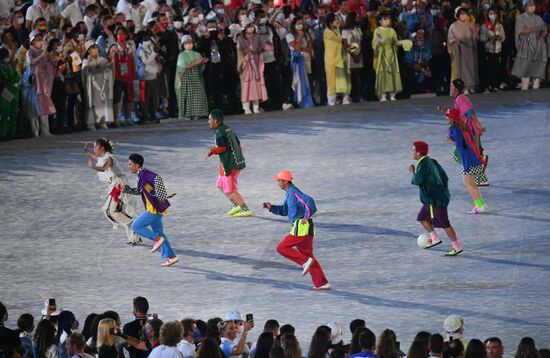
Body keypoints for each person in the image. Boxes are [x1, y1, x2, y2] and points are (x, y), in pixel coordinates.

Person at [263, 170, 331, 290]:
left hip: (301, 227)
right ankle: (322, 283)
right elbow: (285, 210)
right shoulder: (289, 193)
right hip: (306, 228)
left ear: (285, 181)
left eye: (278, 180)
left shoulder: (294, 192)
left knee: (282, 248)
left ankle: (304, 262)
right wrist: (271, 207)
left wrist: (306, 216)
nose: (277, 183)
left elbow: (310, 201)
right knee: (308, 256)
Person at [122, 154, 179, 267]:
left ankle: (157, 239)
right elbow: (140, 191)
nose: (128, 166)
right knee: (160, 233)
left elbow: (157, 178)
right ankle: (171, 257)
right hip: (155, 209)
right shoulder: (142, 175)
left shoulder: (145, 175)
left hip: (154, 210)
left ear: (137, 165)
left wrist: (161, 194)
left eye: (130, 164)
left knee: (135, 226)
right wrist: (127, 189)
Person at [409, 141, 463, 256]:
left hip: (435, 201)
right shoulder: (432, 161)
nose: (412, 152)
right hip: (435, 199)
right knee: (422, 218)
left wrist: (413, 172)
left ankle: (456, 246)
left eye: (413, 150)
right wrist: (443, 192)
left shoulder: (423, 165)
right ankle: (435, 238)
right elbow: (445, 178)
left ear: (418, 152)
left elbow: (418, 180)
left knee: (445, 223)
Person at [84, 138, 140, 245]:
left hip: (119, 185)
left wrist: (93, 167)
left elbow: (105, 167)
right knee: (122, 211)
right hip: (116, 185)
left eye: (96, 147)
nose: (94, 149)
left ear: (103, 148)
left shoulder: (109, 158)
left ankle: (134, 223)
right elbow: (98, 157)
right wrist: (87, 152)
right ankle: (134, 238)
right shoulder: (104, 156)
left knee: (111, 211)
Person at [438, 79, 489, 187]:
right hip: (466, 130)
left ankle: (480, 177)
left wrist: (478, 126)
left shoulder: (461, 98)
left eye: (451, 87)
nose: (450, 89)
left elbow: (470, 112)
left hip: (470, 130)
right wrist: (444, 111)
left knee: (474, 153)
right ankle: (477, 176)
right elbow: (455, 113)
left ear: (456, 89)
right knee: (466, 154)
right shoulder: (459, 99)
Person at [205, 109, 252, 217]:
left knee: (230, 189)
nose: (208, 121)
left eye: (210, 119)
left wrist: (211, 151)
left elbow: (222, 148)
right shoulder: (227, 129)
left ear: (215, 120)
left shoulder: (219, 132)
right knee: (220, 184)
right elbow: (239, 145)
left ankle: (245, 209)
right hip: (230, 163)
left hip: (229, 165)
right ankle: (236, 205)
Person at [445, 108, 488, 215]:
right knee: (472, 183)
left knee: (468, 183)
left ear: (452, 118)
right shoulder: (462, 125)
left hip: (469, 160)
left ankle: (479, 205)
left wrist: (450, 141)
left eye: (447, 116)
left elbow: (460, 144)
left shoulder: (455, 128)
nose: (446, 118)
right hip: (474, 158)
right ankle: (481, 203)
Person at [27, 30, 58, 137]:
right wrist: (41, 56)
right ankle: (35, 131)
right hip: (34, 84)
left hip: (44, 84)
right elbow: (31, 62)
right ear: (32, 42)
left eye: (41, 40)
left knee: (44, 106)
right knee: (34, 108)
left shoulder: (44, 52)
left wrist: (55, 58)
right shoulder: (30, 52)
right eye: (37, 40)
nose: (40, 42)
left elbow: (53, 62)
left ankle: (45, 130)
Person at [511, 0, 547, 90]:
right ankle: (524, 89)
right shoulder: (520, 18)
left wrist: (543, 33)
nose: (532, 6)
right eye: (530, 5)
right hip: (526, 48)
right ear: (525, 7)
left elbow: (544, 30)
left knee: (537, 70)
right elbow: (521, 31)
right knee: (526, 71)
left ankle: (536, 87)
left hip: (538, 48)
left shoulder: (539, 18)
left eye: (533, 4)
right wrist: (532, 30)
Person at [237, 18, 268, 114]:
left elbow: (261, 48)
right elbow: (240, 51)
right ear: (245, 28)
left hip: (257, 62)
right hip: (246, 64)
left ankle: (256, 107)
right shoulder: (240, 38)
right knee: (247, 85)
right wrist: (248, 50)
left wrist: (263, 48)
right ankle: (246, 107)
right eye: (249, 26)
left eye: (252, 26)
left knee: (256, 85)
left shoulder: (257, 37)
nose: (251, 28)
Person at [175, 35, 209, 120]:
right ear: (183, 45)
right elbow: (183, 67)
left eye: (190, 42)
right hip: (185, 79)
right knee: (187, 96)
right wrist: (197, 62)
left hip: (196, 77)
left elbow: (200, 67)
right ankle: (187, 114)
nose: (189, 44)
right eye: (186, 43)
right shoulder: (181, 55)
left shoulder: (197, 54)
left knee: (197, 95)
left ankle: (197, 114)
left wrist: (202, 63)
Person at [82, 40, 114, 129]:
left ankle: (102, 122)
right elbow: (85, 71)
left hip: (101, 84)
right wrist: (89, 62)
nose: (95, 49)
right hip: (92, 85)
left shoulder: (101, 59)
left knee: (102, 102)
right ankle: (91, 123)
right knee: (92, 104)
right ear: (88, 50)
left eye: (95, 47)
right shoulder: (85, 60)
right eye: (92, 48)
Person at [372, 12, 403, 101]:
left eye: (388, 19)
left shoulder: (392, 30)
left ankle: (392, 94)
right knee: (383, 73)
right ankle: (382, 94)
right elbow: (374, 43)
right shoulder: (377, 30)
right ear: (380, 21)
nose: (387, 21)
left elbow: (395, 41)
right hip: (382, 54)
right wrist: (378, 43)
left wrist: (399, 43)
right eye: (384, 19)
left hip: (391, 54)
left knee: (393, 73)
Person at [448, 7, 478, 94]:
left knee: (470, 68)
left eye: (464, 13)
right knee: (460, 70)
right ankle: (461, 88)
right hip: (459, 51)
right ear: (457, 15)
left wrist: (475, 35)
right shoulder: (453, 26)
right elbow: (450, 39)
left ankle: (470, 85)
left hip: (469, 51)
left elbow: (475, 37)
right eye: (461, 13)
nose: (463, 15)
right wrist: (455, 41)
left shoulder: (469, 25)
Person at [286, 15, 315, 108]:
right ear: (293, 25)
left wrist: (301, 48)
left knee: (308, 80)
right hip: (297, 61)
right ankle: (299, 101)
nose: (301, 25)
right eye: (298, 24)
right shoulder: (290, 35)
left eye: (302, 24)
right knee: (298, 81)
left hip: (306, 59)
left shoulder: (307, 34)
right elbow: (296, 47)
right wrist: (300, 36)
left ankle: (308, 99)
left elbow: (310, 48)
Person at [323, 13, 351, 106]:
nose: (337, 21)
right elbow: (338, 39)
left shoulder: (336, 31)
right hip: (331, 61)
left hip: (339, 59)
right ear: (330, 23)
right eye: (335, 20)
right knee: (331, 81)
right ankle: (331, 101)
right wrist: (339, 29)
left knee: (341, 80)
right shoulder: (327, 31)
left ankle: (343, 98)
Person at [480, 7, 505, 92]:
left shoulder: (499, 25)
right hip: (488, 50)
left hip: (497, 49)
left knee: (496, 68)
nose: (492, 15)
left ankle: (495, 85)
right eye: (490, 14)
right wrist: (490, 38)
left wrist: (499, 37)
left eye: (494, 13)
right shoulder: (485, 26)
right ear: (488, 15)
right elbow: (482, 38)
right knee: (488, 69)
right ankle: (486, 86)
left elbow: (504, 38)